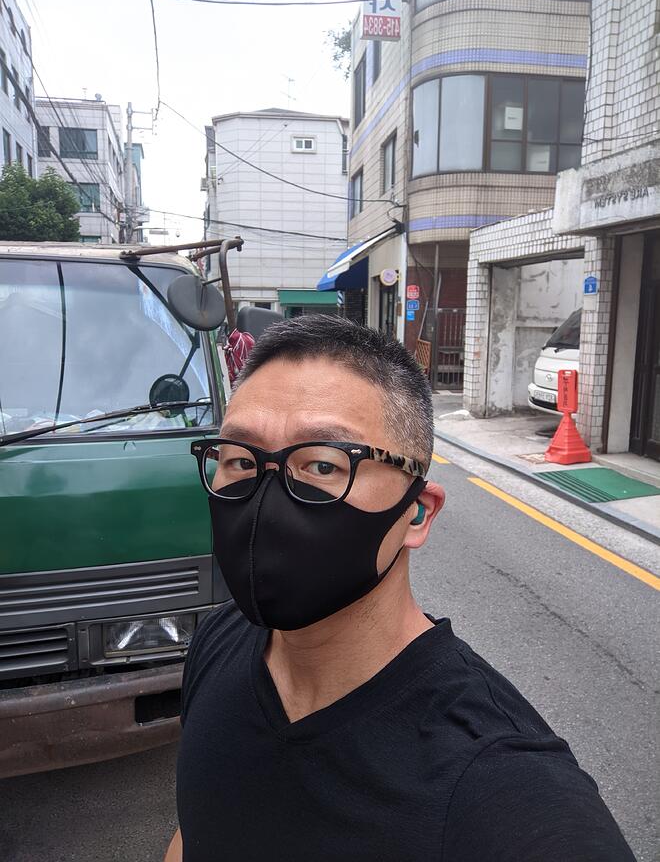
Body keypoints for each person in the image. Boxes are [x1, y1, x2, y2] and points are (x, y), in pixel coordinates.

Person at [165, 314, 634, 862]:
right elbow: (195, 830)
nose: (265, 496)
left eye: (324, 465)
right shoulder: (220, 638)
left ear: (417, 512)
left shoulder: (502, 787)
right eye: (240, 460)